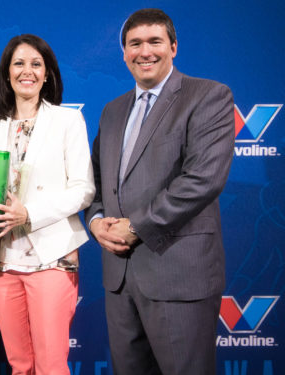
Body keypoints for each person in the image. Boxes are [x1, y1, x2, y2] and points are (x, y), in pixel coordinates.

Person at [85, 8, 235, 375]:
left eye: (155, 41)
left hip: (178, 275)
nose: (145, 51)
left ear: (173, 46)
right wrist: (96, 220)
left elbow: (202, 180)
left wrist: (135, 227)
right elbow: (99, 182)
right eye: (135, 43)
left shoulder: (208, 96)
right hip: (120, 279)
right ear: (124, 53)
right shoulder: (112, 110)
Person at [0, 34, 95, 374]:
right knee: (19, 366)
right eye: (18, 63)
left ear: (47, 74)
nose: (26, 71)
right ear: (6, 73)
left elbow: (83, 190)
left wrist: (28, 213)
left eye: (36, 64)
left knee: (50, 365)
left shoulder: (67, 120)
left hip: (52, 258)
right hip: (3, 260)